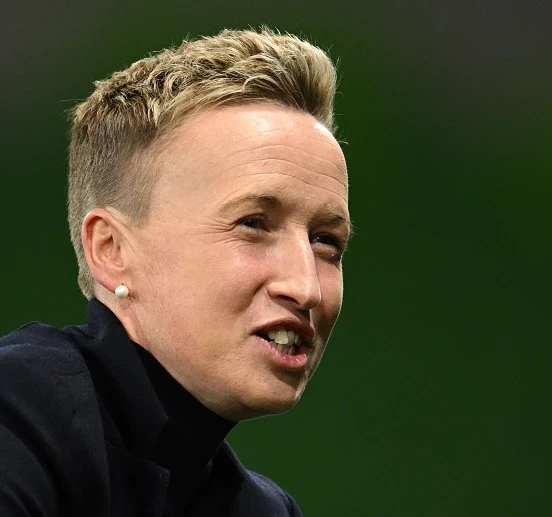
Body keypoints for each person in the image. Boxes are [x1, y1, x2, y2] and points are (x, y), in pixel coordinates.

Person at [0, 27, 350, 516]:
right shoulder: (17, 412)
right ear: (111, 250)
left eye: (325, 241)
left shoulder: (266, 510)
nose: (306, 287)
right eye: (252, 224)